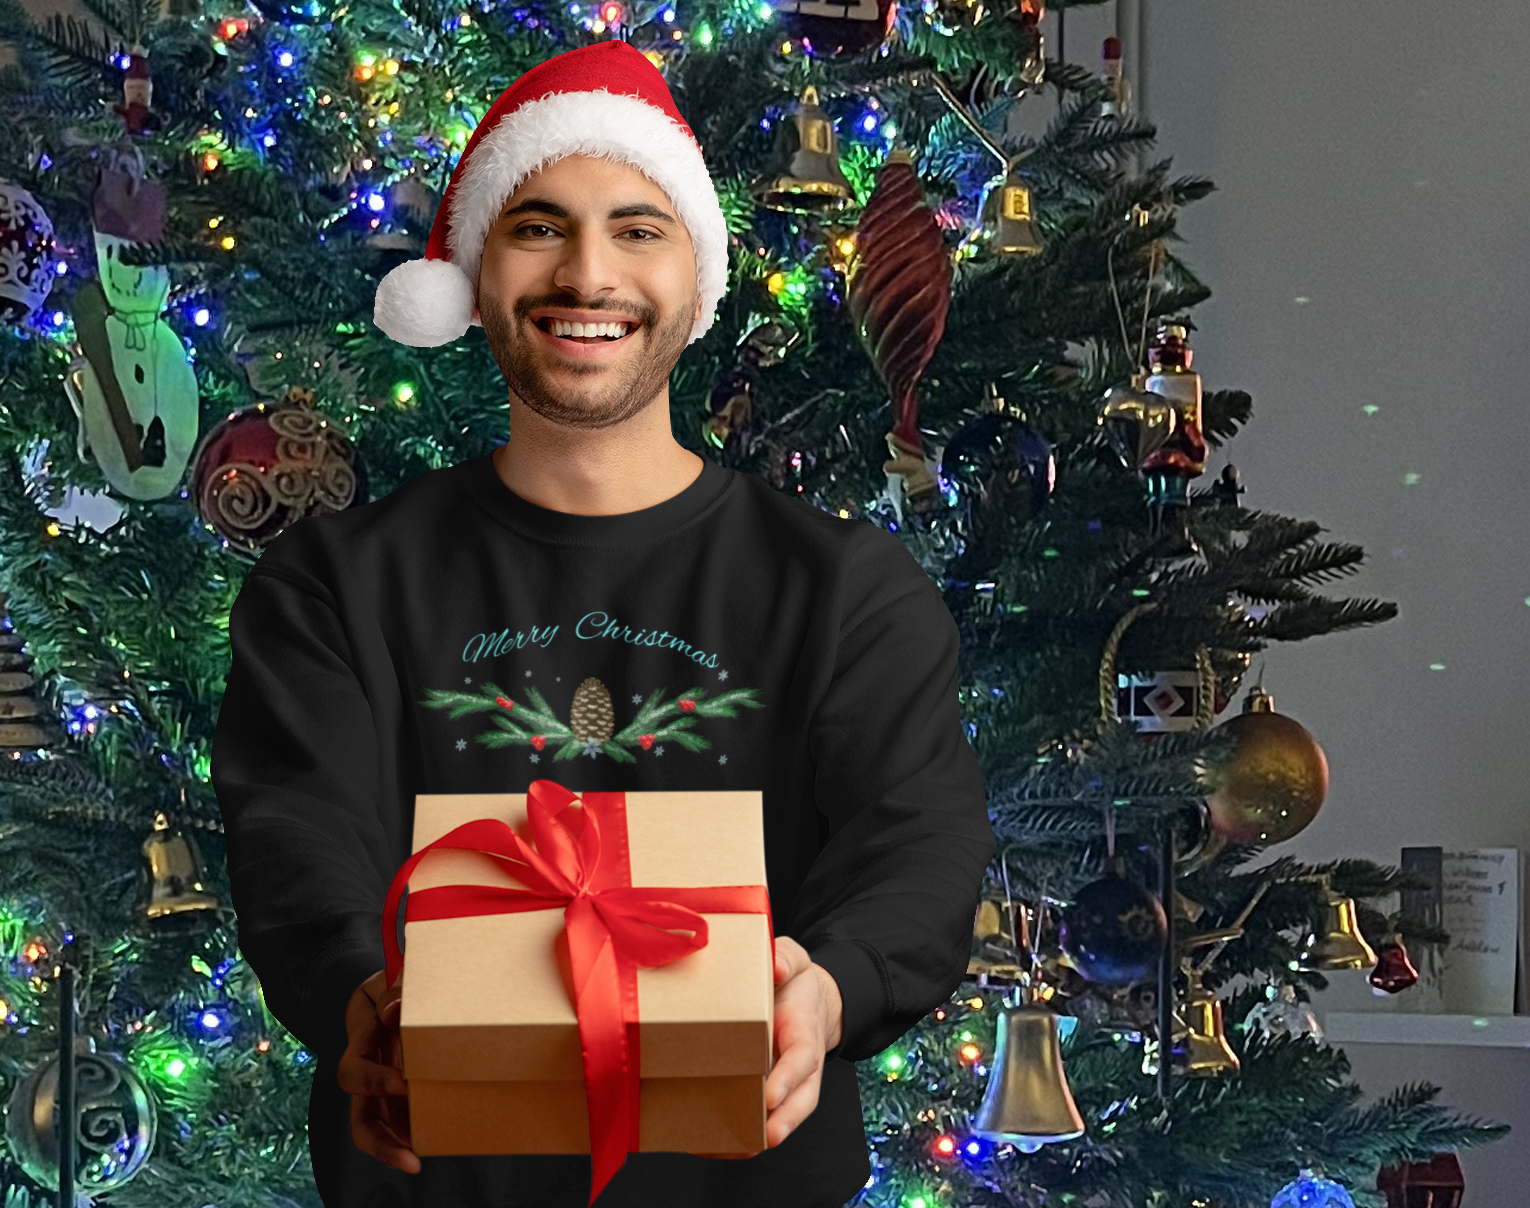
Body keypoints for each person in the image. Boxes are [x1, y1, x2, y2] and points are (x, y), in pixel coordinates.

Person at [210, 39, 995, 1208]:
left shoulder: (841, 586)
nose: (587, 273)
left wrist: (827, 988)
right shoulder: (334, 582)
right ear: (474, 276)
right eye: (536, 225)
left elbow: (917, 843)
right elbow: (296, 842)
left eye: (638, 227)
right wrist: (361, 997)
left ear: (697, 276)